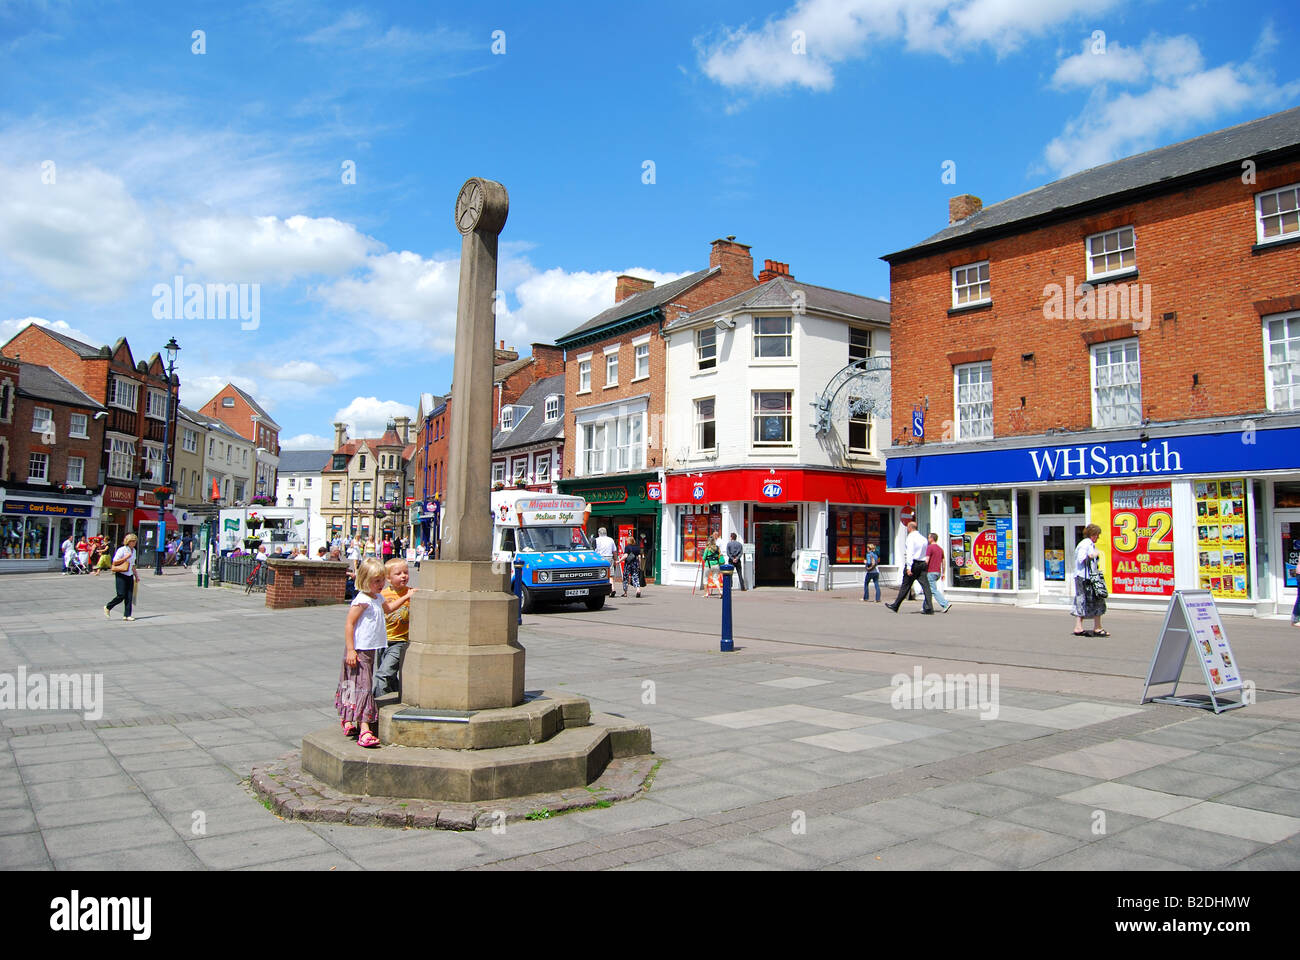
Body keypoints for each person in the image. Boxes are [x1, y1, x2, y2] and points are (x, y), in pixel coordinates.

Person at [335, 558, 409, 749]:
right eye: (376, 581)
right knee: (363, 687)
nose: (381, 584)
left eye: (382, 580)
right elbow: (349, 624)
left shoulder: (378, 598)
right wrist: (351, 649)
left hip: (370, 650)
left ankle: (349, 719)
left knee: (356, 685)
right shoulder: (362, 600)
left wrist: (407, 597)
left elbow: (389, 609)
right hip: (359, 650)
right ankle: (365, 729)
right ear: (365, 580)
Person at [372, 558, 413, 698]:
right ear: (388, 578)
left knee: (383, 675)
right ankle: (397, 698)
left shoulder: (413, 593)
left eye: (406, 572)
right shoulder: (382, 595)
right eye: (398, 573)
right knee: (390, 676)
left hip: (400, 642)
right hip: (383, 642)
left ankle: (380, 705)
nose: (403, 575)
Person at [887, 521, 935, 614]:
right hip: (922, 563)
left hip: (913, 564)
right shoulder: (923, 538)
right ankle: (929, 607)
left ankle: (896, 605)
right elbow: (925, 552)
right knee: (926, 586)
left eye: (907, 528)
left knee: (905, 585)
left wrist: (909, 567)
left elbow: (910, 553)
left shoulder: (910, 538)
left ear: (910, 528)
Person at [1072, 523, 1108, 637]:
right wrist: (1093, 555)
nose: (1098, 537)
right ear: (1093, 534)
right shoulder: (1086, 544)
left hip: (1085, 576)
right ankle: (1096, 627)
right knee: (1095, 599)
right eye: (1097, 535)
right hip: (1085, 577)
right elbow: (1081, 559)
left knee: (1083, 599)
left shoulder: (1087, 543)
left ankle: (1080, 626)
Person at [104, 533, 140, 622]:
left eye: (135, 541)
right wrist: (125, 557)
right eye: (133, 541)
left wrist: (136, 575)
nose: (134, 543)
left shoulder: (134, 551)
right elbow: (115, 562)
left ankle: (127, 615)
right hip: (121, 573)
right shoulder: (122, 550)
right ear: (128, 541)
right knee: (121, 595)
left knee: (129, 595)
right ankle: (108, 607)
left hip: (130, 574)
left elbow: (132, 564)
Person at [925, 533, 953, 613]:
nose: (928, 539)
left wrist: (922, 568)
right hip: (938, 572)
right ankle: (926, 606)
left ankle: (945, 604)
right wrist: (943, 573)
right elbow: (943, 561)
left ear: (932, 539)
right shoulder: (940, 549)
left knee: (933, 590)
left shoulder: (929, 548)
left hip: (930, 571)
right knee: (928, 589)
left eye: (928, 537)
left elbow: (927, 560)